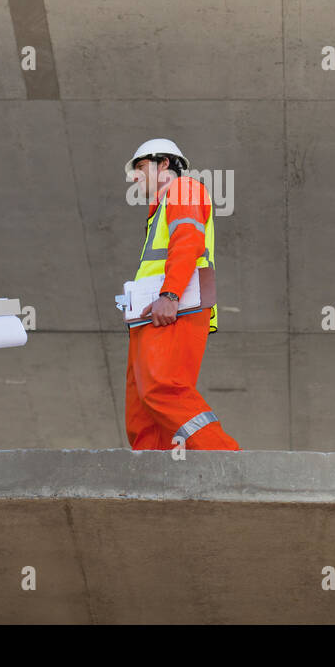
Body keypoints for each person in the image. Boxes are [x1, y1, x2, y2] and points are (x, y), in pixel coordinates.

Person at [123, 138, 240, 451]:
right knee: (141, 409)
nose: (135, 176)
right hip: (152, 315)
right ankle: (153, 477)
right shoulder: (158, 208)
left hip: (173, 310)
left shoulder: (184, 189)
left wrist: (171, 295)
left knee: (163, 389)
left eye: (141, 167)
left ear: (164, 164)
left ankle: (225, 457)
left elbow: (188, 240)